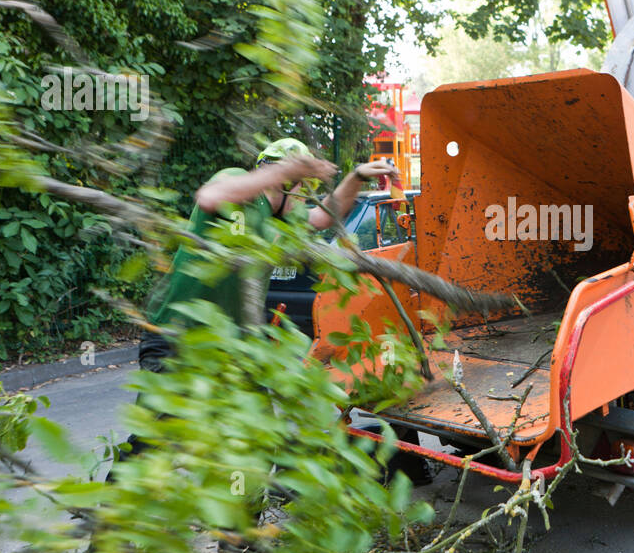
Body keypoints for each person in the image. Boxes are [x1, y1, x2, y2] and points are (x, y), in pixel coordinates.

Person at [113, 138, 432, 484]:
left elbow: (323, 215)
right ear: (282, 179)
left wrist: (357, 176)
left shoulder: (279, 217)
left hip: (231, 349)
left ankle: (241, 531)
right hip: (176, 337)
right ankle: (108, 525)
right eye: (301, 188)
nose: (302, 199)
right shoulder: (239, 185)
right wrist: (287, 170)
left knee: (255, 434)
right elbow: (209, 197)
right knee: (155, 436)